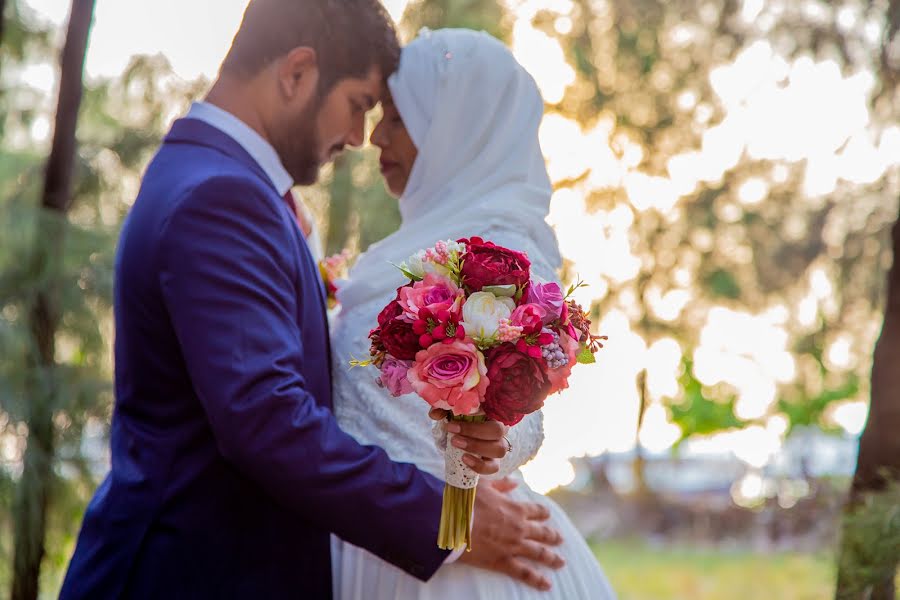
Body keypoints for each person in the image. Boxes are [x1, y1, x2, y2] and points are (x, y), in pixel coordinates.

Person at [59, 4, 563, 598]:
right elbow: (267, 421)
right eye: (357, 104)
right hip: (191, 572)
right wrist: (450, 524)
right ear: (297, 72)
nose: (358, 137)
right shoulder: (221, 196)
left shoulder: (219, 181)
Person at [329, 28, 618, 599]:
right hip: (380, 536)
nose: (375, 137)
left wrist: (494, 441)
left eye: (396, 118)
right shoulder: (394, 252)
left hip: (475, 552)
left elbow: (528, 398)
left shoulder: (504, 245)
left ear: (455, 129)